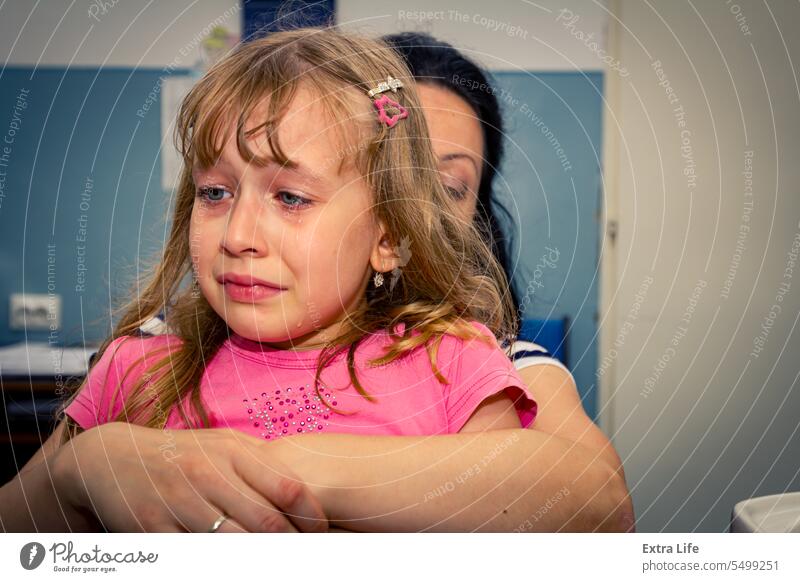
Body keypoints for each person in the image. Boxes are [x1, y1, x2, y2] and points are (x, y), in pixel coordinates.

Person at [0, 28, 633, 533]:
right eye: (214, 192)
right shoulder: (142, 366)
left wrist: (288, 468)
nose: (239, 233)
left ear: (389, 234)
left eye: (293, 197)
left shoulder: (455, 358)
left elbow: (565, 506)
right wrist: (80, 472)